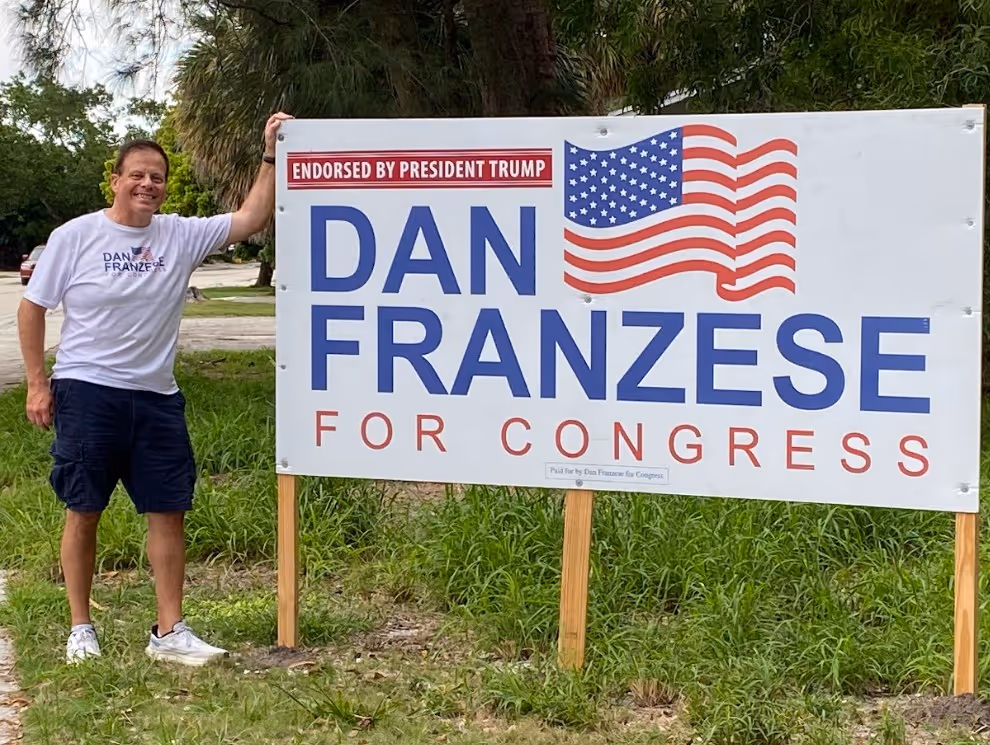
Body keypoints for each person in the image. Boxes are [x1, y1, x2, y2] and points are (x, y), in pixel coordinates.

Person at [17, 111, 294, 666]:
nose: (148, 184)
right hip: (88, 391)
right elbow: (32, 308)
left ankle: (169, 632)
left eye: (157, 177)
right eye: (137, 175)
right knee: (83, 508)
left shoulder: (179, 234)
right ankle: (81, 628)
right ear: (115, 180)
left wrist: (270, 152)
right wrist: (36, 384)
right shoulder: (76, 236)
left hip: (157, 397)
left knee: (168, 510)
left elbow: (251, 217)